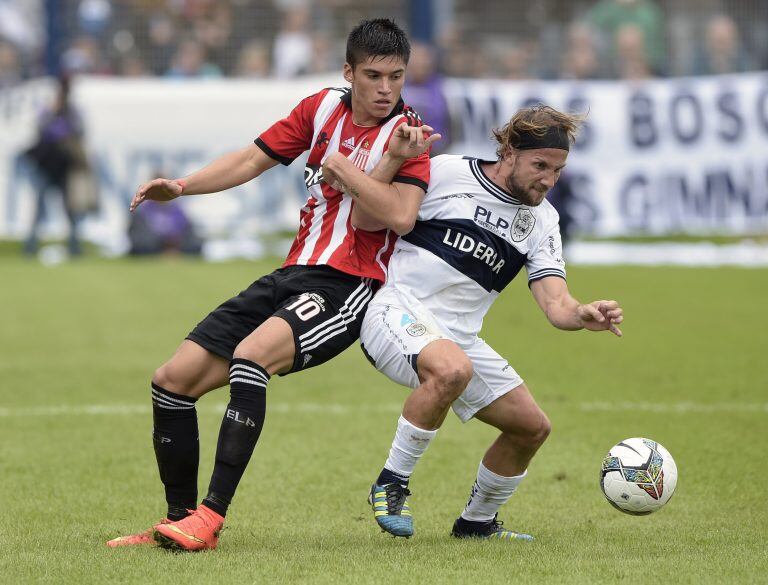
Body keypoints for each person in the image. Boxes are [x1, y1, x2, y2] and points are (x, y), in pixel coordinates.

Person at [107, 18, 439, 551]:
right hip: (292, 273)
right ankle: (177, 519)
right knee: (172, 380)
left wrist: (384, 161)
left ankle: (210, 518)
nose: (385, 89)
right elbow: (250, 159)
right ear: (348, 72)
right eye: (373, 76)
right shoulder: (321, 108)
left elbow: (396, 219)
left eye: (396, 77)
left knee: (251, 355)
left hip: (349, 283)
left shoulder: (409, 139)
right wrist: (184, 187)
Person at [320, 104, 624, 541]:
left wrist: (581, 313)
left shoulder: (542, 221)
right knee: (452, 369)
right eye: (540, 165)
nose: (548, 180)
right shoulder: (445, 172)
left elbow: (556, 302)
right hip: (397, 309)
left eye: (558, 170)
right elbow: (368, 218)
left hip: (457, 338)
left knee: (531, 428)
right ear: (509, 151)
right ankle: (391, 483)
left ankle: (476, 524)